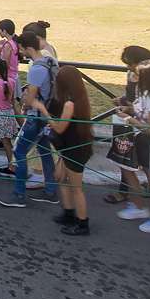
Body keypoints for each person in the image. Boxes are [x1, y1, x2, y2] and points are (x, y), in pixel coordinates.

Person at [0, 32, 59, 208]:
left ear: (28, 47)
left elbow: (30, 99)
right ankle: (50, 190)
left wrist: (24, 99)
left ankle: (19, 194)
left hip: (36, 117)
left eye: (21, 49)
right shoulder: (51, 61)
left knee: (19, 152)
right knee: (45, 151)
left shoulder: (36, 69)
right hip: (47, 116)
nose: (20, 52)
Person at [115, 59, 150, 234]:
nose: (134, 76)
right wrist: (129, 109)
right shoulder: (145, 93)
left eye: (138, 74)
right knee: (134, 171)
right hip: (143, 140)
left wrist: (129, 119)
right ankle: (141, 207)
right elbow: (142, 112)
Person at [44, 66, 94, 235]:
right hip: (69, 147)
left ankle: (82, 223)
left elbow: (58, 128)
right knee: (60, 177)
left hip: (75, 149)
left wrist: (42, 109)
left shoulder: (70, 103)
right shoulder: (76, 99)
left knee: (76, 188)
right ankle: (68, 212)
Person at [0, 20, 20, 112]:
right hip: (14, 76)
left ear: (5, 31)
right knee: (13, 105)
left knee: (9, 106)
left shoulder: (8, 45)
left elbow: (4, 63)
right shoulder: (14, 43)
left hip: (8, 78)